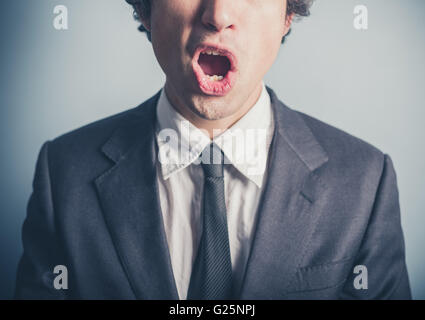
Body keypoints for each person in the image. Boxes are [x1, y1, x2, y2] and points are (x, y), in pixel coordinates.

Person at [15, 0, 411, 299]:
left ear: (287, 15)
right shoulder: (64, 174)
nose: (218, 14)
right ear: (146, 11)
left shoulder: (364, 183)